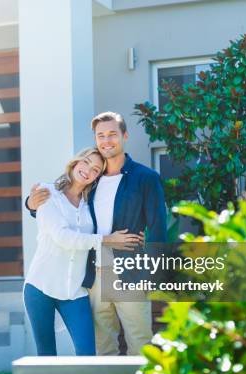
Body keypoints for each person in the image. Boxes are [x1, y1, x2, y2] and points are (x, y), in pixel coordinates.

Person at [26, 112, 167, 356]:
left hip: (130, 274)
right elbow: (62, 209)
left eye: (112, 134)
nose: (106, 140)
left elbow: (157, 230)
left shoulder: (146, 178)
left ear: (125, 135)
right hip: (93, 277)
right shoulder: (93, 179)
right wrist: (30, 204)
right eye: (100, 136)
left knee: (140, 343)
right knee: (103, 347)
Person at [23, 147, 143, 356]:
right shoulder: (47, 193)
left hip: (75, 291)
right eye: (86, 162)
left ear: (97, 178)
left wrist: (134, 234)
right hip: (40, 286)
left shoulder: (91, 205)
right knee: (47, 355)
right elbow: (63, 237)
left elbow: (107, 221)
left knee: (87, 354)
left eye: (96, 170)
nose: (88, 170)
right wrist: (107, 240)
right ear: (76, 162)